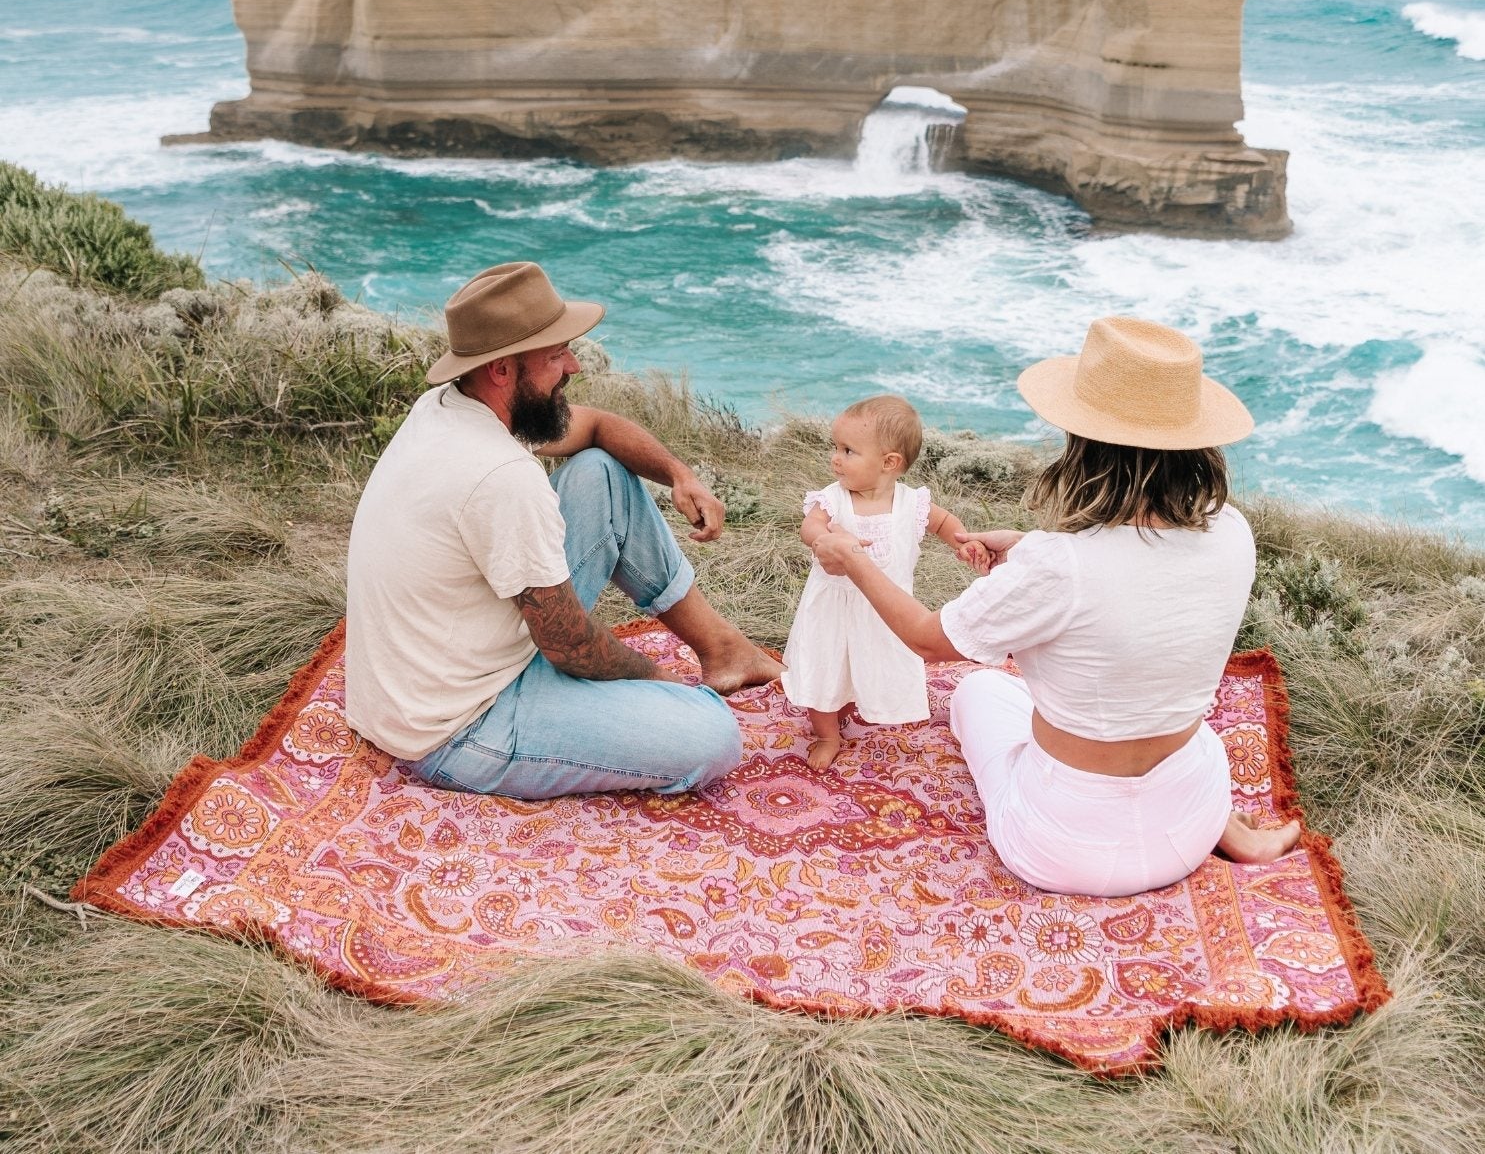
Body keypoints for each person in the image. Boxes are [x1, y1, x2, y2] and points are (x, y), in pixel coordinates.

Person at [810, 317, 1301, 896]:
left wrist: (853, 558)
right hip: (1191, 824)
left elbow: (925, 638)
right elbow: (1137, 575)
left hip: (1064, 851)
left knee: (979, 691)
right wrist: (1027, 549)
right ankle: (1231, 830)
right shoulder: (1232, 529)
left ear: (1086, 445)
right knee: (1174, 716)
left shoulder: (1059, 566)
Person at [344, 261, 782, 800]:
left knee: (601, 472)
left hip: (445, 669)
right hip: (456, 728)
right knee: (711, 736)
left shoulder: (449, 406)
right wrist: (656, 681)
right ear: (501, 370)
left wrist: (679, 475)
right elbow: (570, 646)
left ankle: (724, 649)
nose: (573, 365)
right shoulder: (500, 476)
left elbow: (596, 427)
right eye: (556, 355)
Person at [783, 395, 988, 771]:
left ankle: (848, 709)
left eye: (848, 450)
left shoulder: (912, 503)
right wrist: (823, 540)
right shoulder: (834, 499)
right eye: (835, 447)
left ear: (889, 462)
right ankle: (826, 734)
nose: (835, 458)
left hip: (884, 612)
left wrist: (965, 542)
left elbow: (943, 522)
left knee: (866, 669)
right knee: (826, 670)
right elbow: (810, 525)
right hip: (832, 611)